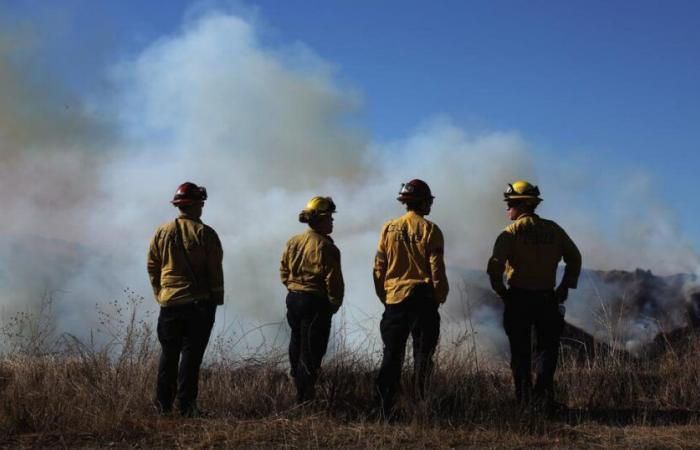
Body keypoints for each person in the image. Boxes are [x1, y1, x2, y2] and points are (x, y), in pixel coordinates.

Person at [486, 180, 581, 412]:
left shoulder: (510, 233)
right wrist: (565, 287)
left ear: (521, 204)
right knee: (547, 350)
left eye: (510, 203)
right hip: (547, 299)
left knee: (520, 352)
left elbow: (494, 267)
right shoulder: (554, 230)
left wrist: (502, 292)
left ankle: (524, 402)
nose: (507, 208)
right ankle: (543, 399)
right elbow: (574, 257)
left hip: (518, 299)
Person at [147, 182, 224, 417]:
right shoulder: (206, 234)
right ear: (196, 205)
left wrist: (161, 293)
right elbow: (215, 271)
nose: (202, 206)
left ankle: (162, 407)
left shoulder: (162, 232)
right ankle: (187, 408)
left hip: (169, 305)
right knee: (191, 359)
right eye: (201, 202)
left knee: (168, 356)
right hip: (198, 306)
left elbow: (152, 265)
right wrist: (216, 299)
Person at [373, 179, 449, 417]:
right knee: (423, 358)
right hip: (423, 300)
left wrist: (385, 296)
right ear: (423, 202)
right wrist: (439, 296)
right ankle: (420, 408)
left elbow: (378, 267)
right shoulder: (431, 230)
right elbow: (436, 270)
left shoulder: (388, 228)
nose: (431, 207)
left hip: (394, 301)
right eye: (429, 202)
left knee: (391, 357)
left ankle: (384, 408)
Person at [280, 196, 344, 403]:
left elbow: (284, 270)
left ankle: (296, 384)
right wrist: (334, 303)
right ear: (321, 219)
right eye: (330, 218)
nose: (332, 222)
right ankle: (305, 397)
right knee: (312, 350)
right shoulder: (326, 247)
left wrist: (292, 287)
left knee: (297, 343)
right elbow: (333, 280)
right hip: (315, 302)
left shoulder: (293, 241)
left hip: (294, 299)